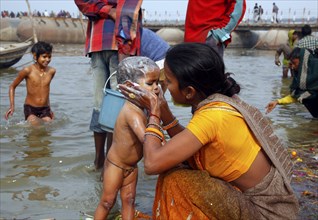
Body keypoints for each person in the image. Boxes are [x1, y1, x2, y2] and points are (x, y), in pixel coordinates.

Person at [118, 43, 299, 219]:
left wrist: (154, 114)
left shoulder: (212, 117)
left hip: (265, 212)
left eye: (169, 81)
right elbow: (190, 143)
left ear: (189, 92)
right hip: (267, 201)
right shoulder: (219, 104)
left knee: (175, 178)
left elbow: (152, 164)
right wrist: (164, 111)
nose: (163, 85)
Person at [74, 0, 143, 170]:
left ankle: (101, 161)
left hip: (100, 43)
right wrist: (110, 11)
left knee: (101, 102)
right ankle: (109, 161)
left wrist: (105, 10)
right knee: (117, 103)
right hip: (117, 44)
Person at [94, 56, 160, 220]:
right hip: (116, 165)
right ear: (130, 88)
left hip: (131, 166)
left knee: (129, 200)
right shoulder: (132, 112)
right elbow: (147, 139)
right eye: (150, 83)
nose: (157, 88)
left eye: (157, 82)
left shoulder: (141, 109)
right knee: (107, 202)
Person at [5, 41, 56, 126]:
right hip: (31, 108)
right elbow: (12, 87)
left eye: (49, 57)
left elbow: (46, 91)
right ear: (35, 56)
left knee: (49, 126)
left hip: (45, 109)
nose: (47, 59)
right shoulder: (27, 70)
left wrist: (49, 109)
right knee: (35, 126)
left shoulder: (51, 71)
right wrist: (12, 106)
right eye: (44, 57)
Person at [267, 47, 318, 118]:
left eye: (294, 63)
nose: (293, 67)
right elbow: (297, 95)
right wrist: (277, 102)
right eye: (291, 64)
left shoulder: (315, 68)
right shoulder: (301, 78)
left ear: (303, 62)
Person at [141, 28, 170, 93]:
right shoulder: (139, 30)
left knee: (155, 93)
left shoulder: (127, 33)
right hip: (164, 57)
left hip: (160, 60)